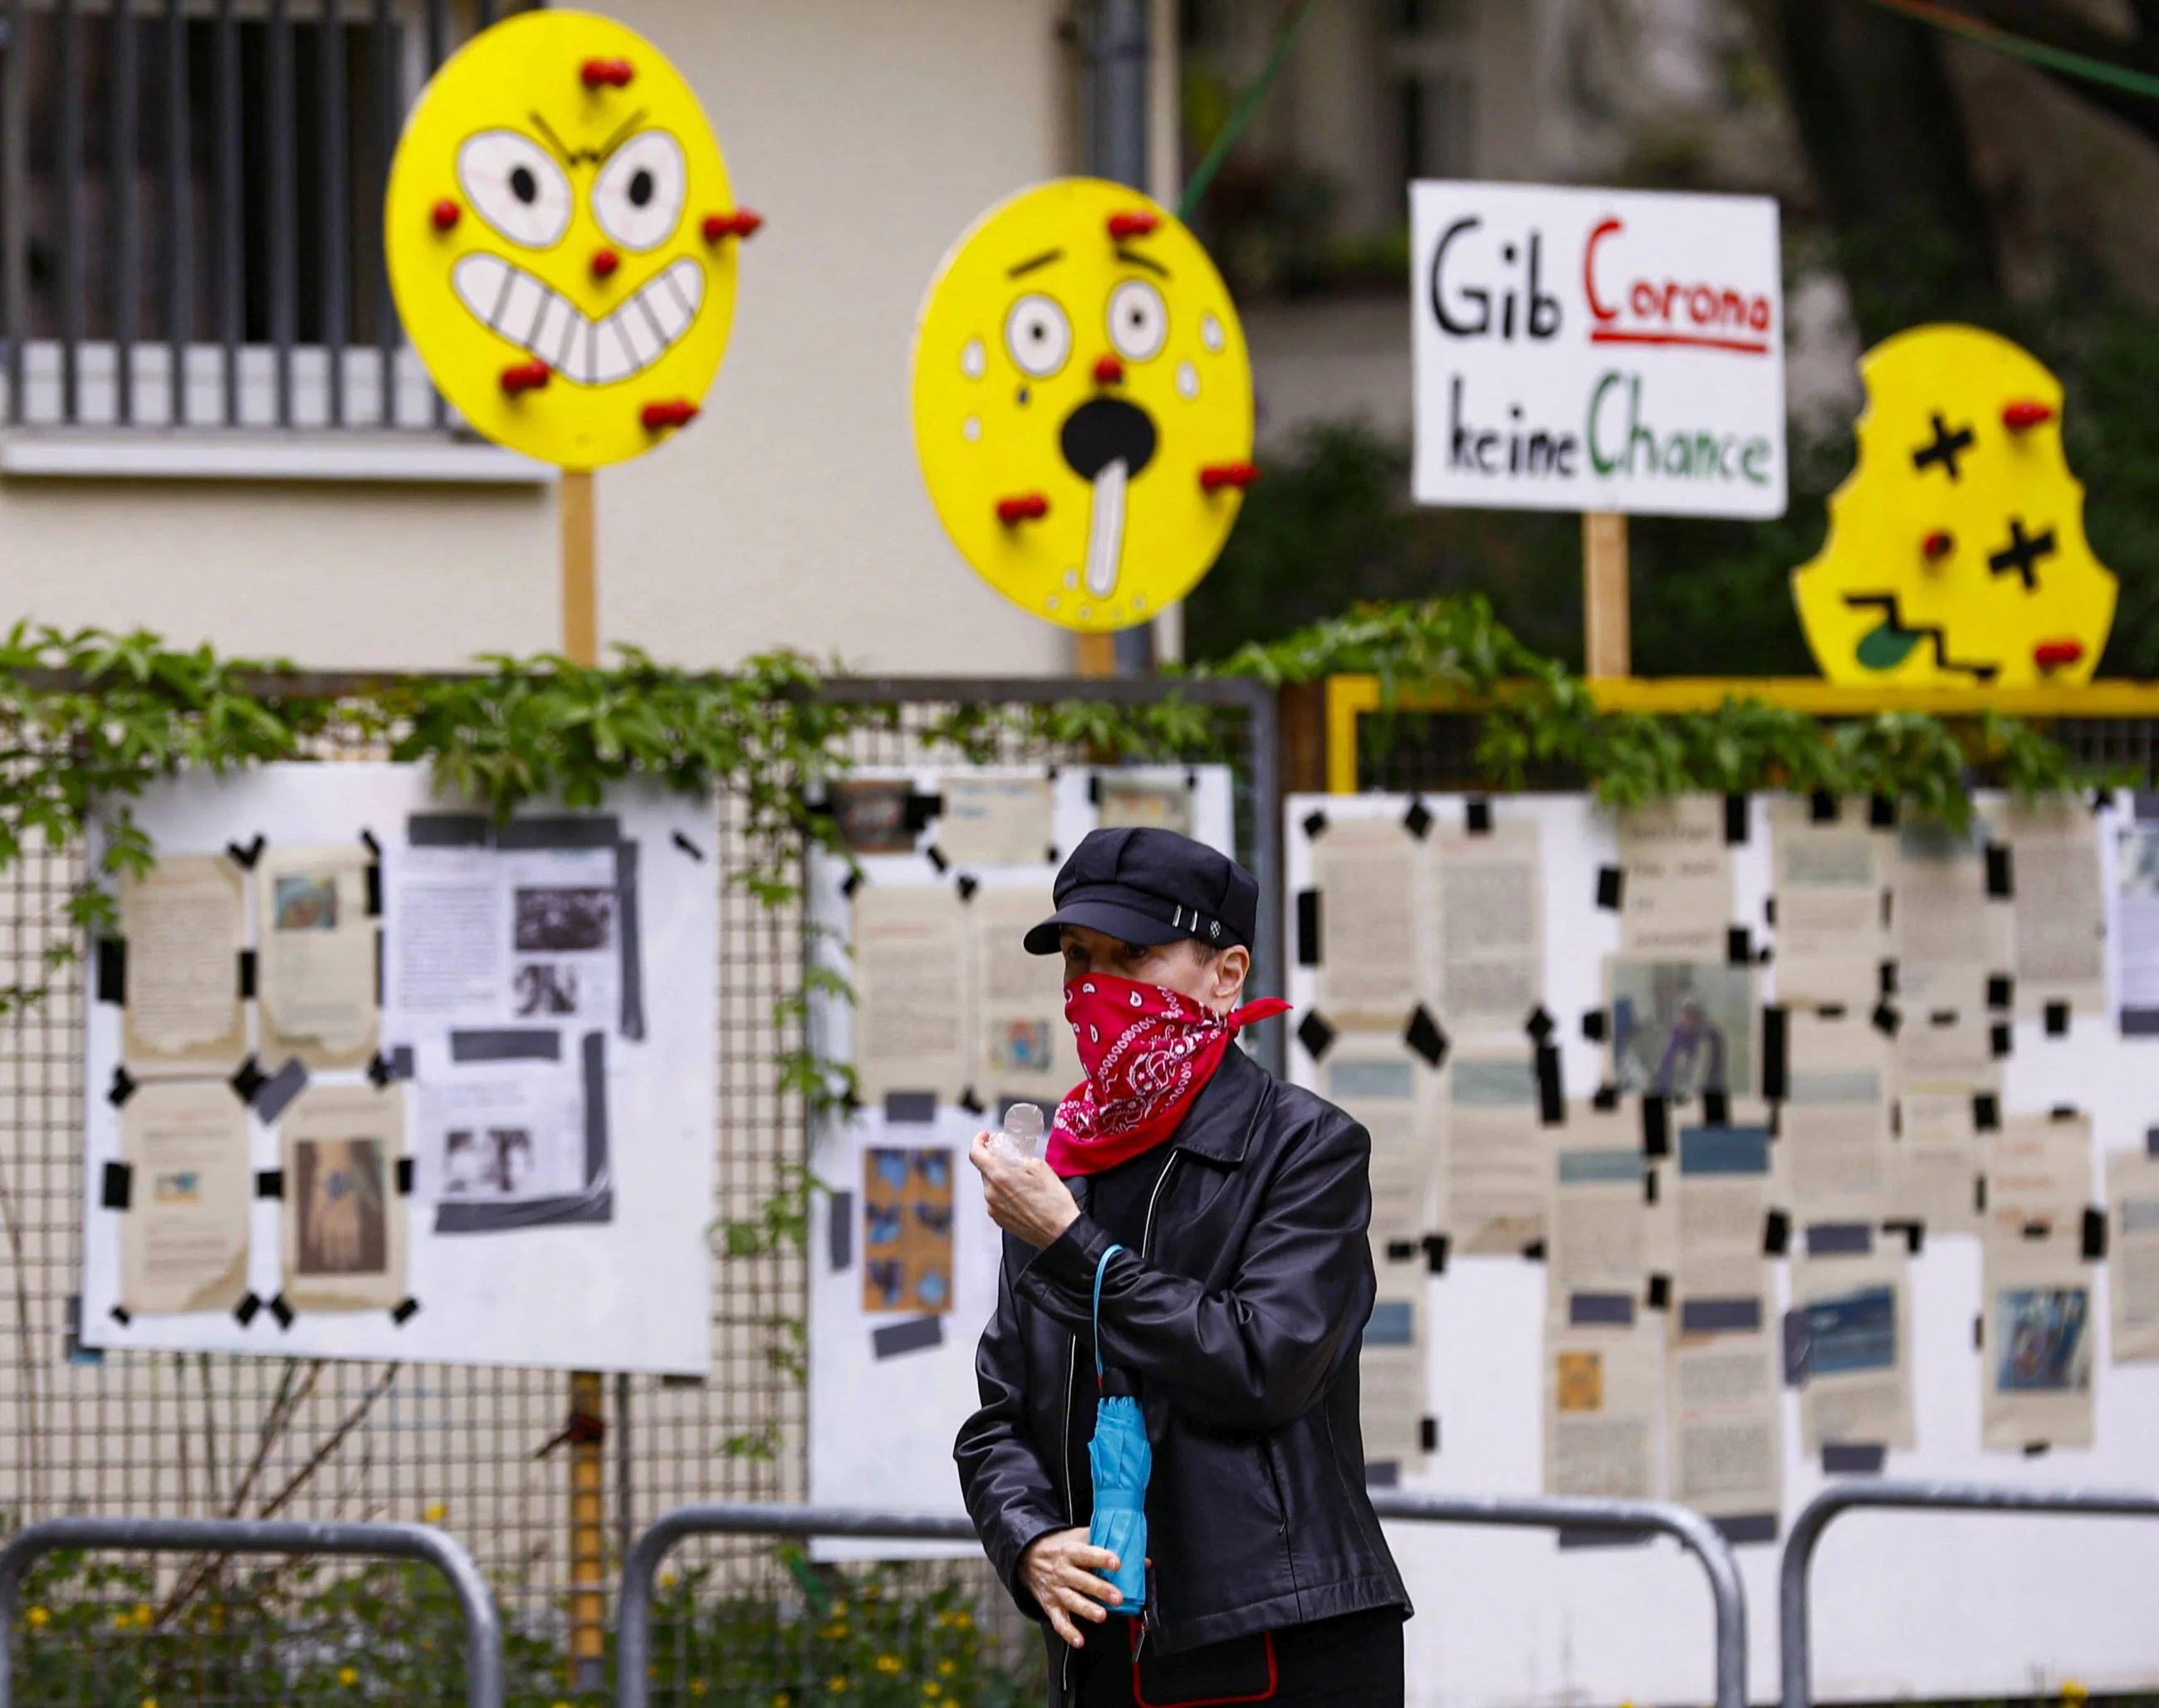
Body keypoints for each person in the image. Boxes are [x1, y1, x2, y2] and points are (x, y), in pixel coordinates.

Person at [957, 827, 1411, 1707]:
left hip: (1274, 1639)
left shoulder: (1305, 1145)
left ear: (1226, 972)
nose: (1098, 986)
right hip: (1106, 1648)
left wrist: (1072, 1248)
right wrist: (1028, 1541)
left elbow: (1263, 1363)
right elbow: (998, 1415)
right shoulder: (1059, 1166)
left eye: (1133, 954)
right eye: (1079, 958)